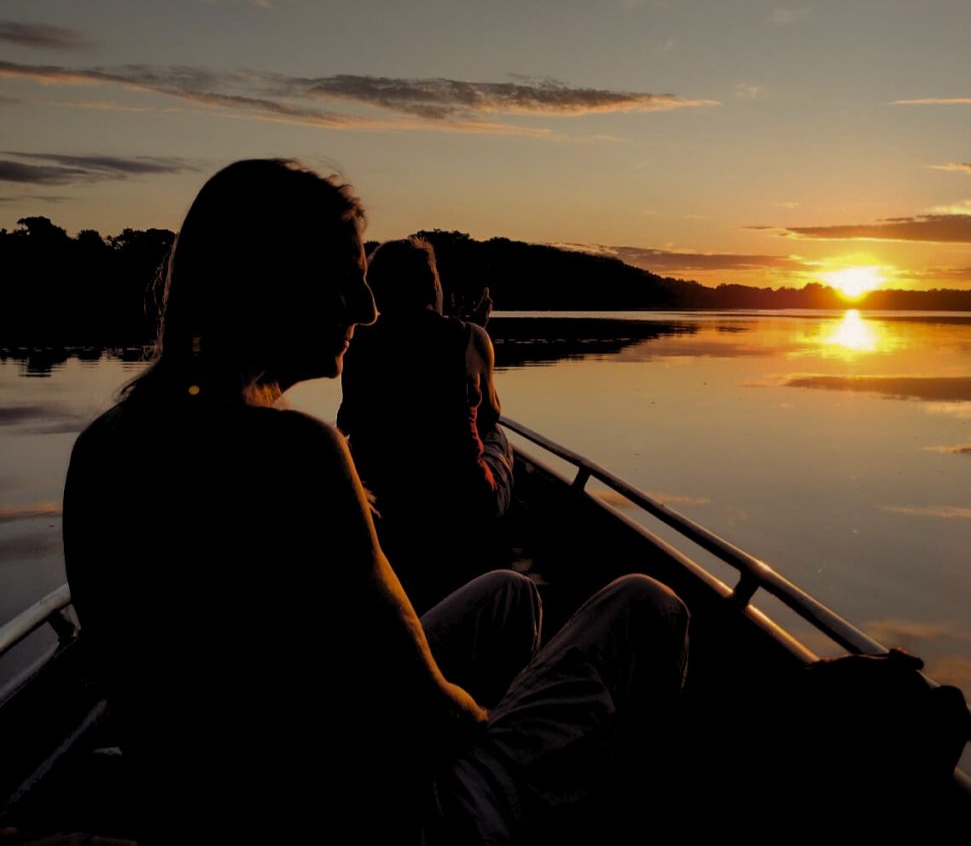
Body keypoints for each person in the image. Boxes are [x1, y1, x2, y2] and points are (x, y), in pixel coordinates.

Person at [62, 159, 689, 844]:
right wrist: (494, 722)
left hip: (206, 810)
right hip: (380, 822)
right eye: (344, 280)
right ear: (269, 280)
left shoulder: (101, 447)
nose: (364, 309)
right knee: (646, 606)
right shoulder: (295, 454)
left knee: (511, 593)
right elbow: (428, 712)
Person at [338, 236, 514, 609]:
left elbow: (349, 417)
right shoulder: (470, 339)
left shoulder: (356, 346)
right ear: (433, 284)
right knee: (498, 436)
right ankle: (496, 541)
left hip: (386, 502)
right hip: (465, 504)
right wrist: (477, 336)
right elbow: (490, 415)